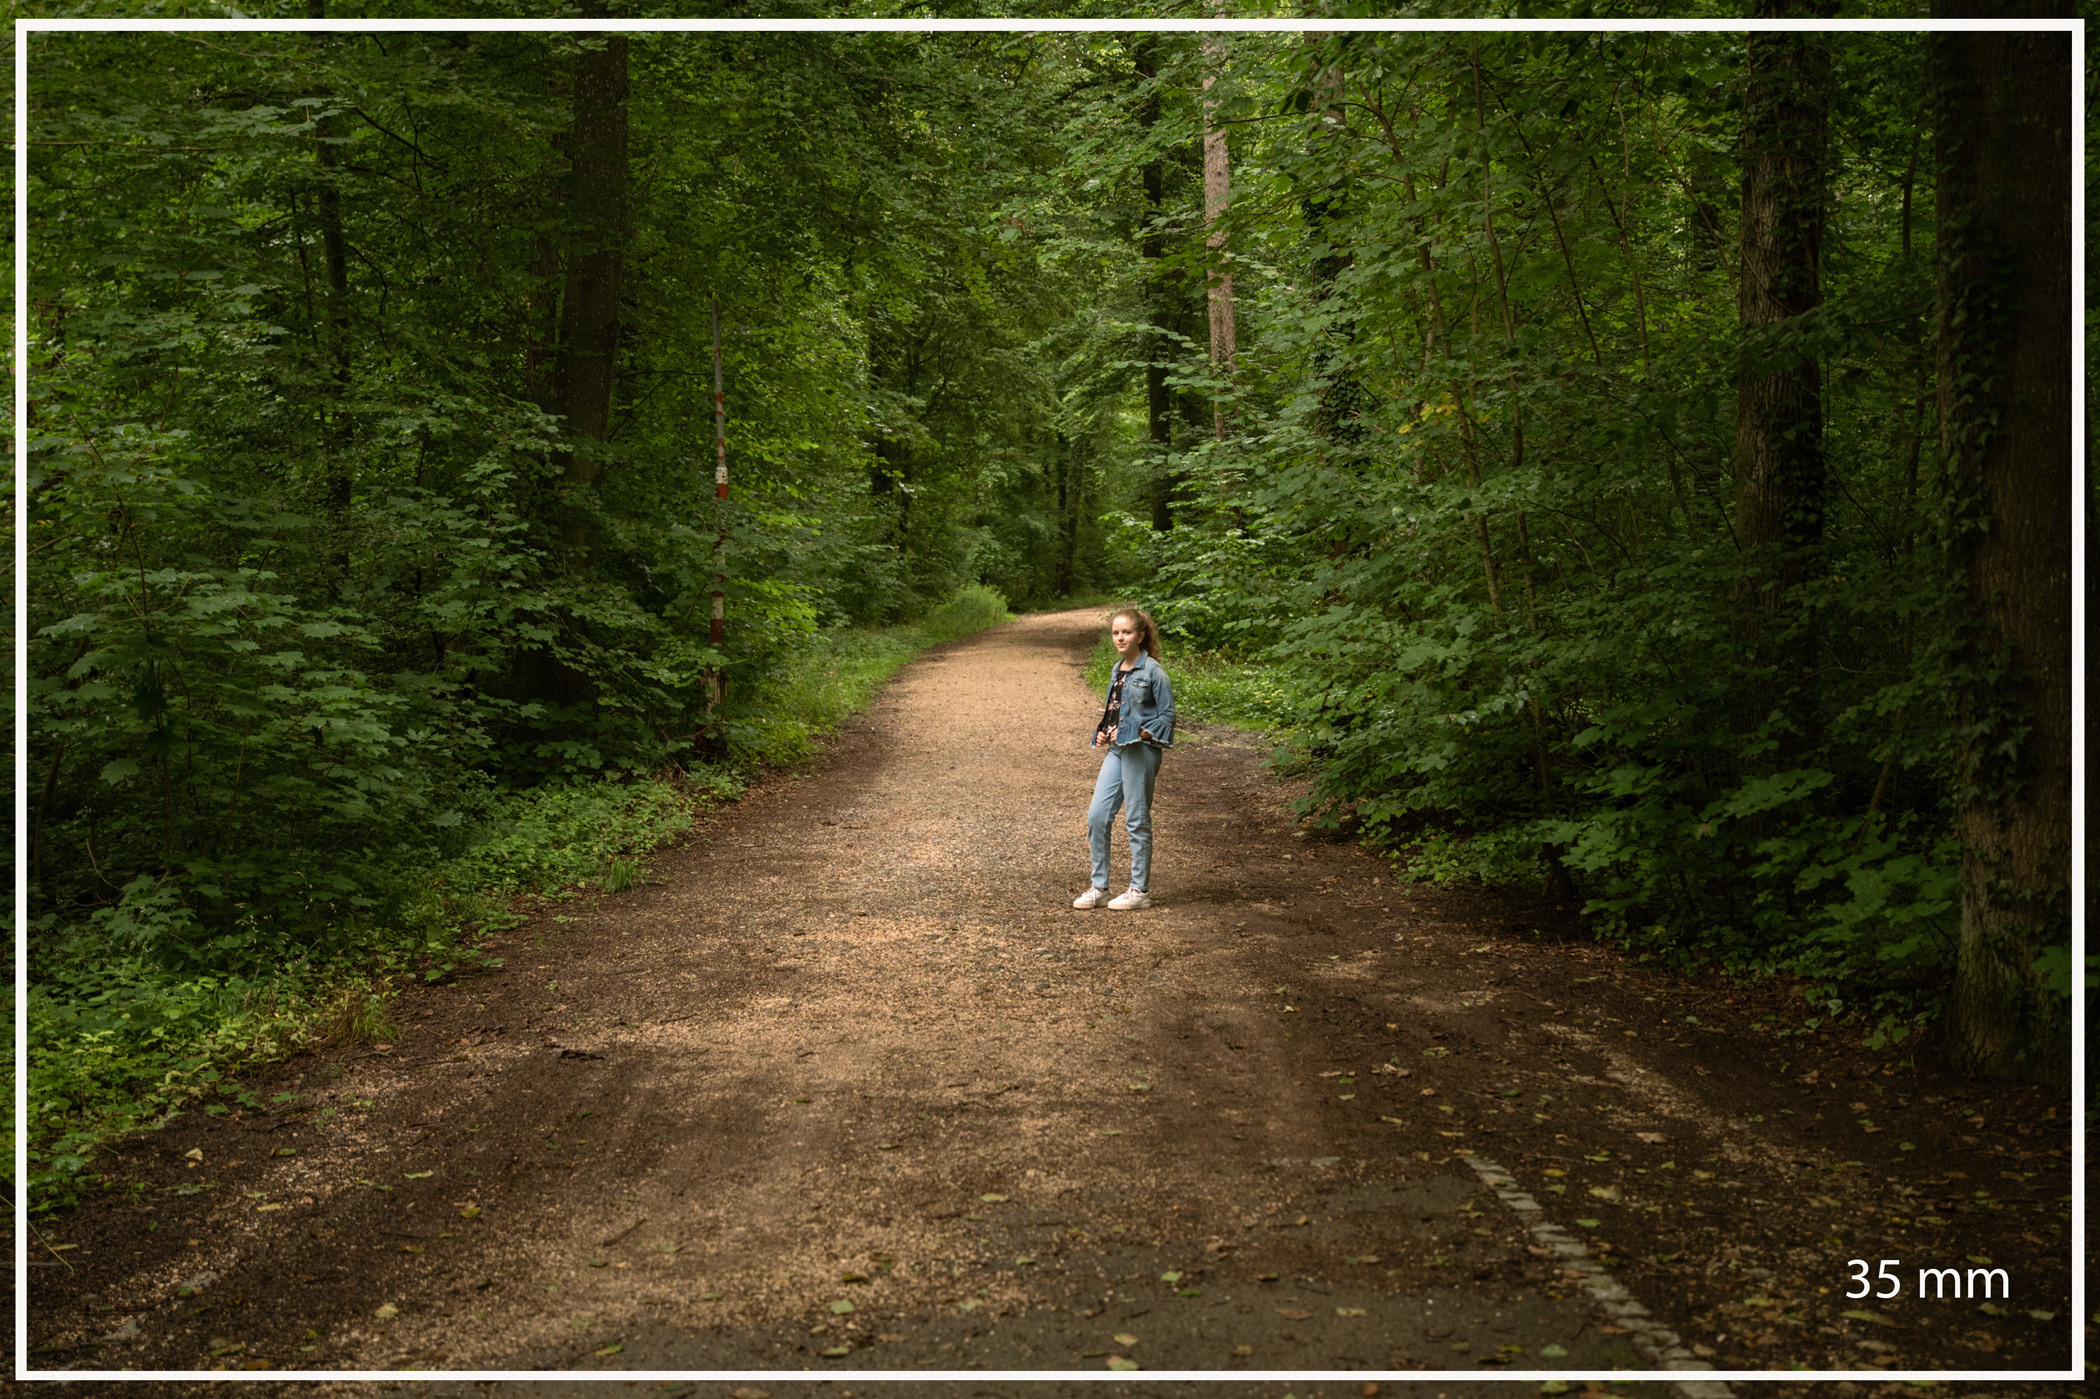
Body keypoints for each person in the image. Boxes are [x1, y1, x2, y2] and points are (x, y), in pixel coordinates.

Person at [1074, 607, 1175, 911]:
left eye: (1127, 632)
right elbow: (1115, 710)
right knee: (1097, 816)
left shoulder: (1154, 672)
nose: (1120, 637)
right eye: (1116, 633)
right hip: (1116, 751)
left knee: (1136, 820)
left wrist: (1138, 733)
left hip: (1141, 752)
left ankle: (1139, 891)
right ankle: (1100, 888)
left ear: (1140, 636)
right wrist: (1103, 731)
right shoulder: (1117, 669)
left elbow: (1167, 717)